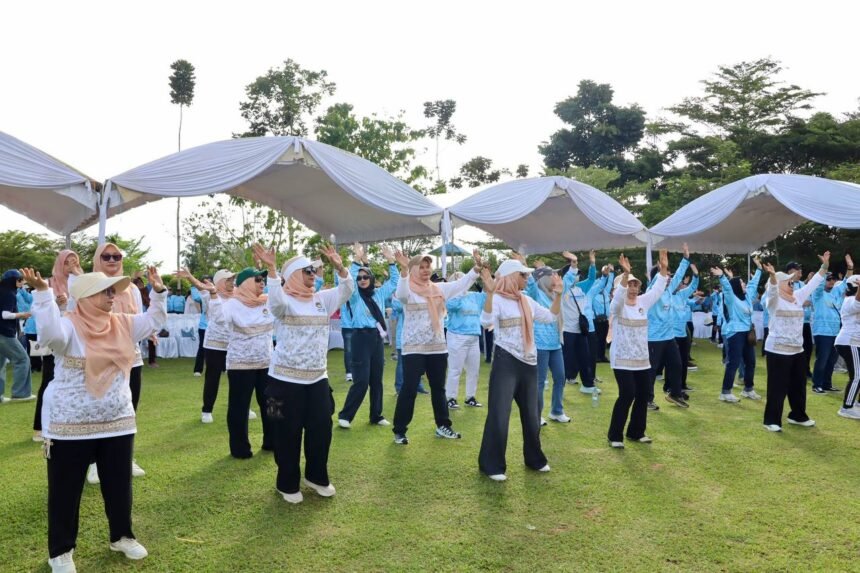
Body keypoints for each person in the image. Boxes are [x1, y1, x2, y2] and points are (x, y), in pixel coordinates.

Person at [22, 265, 167, 573]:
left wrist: (158, 292)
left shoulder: (123, 324)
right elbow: (48, 334)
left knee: (119, 485)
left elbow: (155, 320)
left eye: (114, 291)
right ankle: (60, 552)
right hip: (69, 426)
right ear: (87, 297)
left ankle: (122, 536)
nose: (113, 296)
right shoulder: (68, 327)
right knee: (65, 491)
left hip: (117, 421)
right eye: (107, 291)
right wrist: (43, 294)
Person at [254, 244, 352, 503]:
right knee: (286, 432)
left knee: (322, 428)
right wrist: (273, 270)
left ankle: (316, 477)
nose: (313, 273)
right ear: (295, 275)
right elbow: (274, 303)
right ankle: (287, 484)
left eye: (314, 269)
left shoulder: (322, 299)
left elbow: (347, 289)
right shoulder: (284, 301)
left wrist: (340, 267)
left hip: (317, 379)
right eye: (308, 270)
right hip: (284, 382)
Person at [478, 259, 559, 481]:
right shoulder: (498, 301)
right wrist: (490, 294)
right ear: (513, 276)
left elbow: (551, 317)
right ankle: (491, 464)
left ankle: (535, 459)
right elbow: (485, 322)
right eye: (523, 275)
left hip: (529, 363)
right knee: (499, 414)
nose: (527, 278)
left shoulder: (527, 301)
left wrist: (559, 296)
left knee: (532, 416)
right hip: (506, 361)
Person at [391, 250, 481, 445]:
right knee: (409, 389)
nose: (425, 270)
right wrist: (404, 270)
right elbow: (401, 294)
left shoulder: (439, 288)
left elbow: (461, 284)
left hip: (438, 348)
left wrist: (475, 269)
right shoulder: (408, 290)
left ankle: (443, 425)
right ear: (413, 270)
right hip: (414, 348)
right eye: (420, 267)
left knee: (438, 388)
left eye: (427, 266)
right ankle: (399, 430)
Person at [86, 243, 147, 482]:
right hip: (100, 358)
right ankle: (93, 463)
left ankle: (126, 458)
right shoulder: (89, 285)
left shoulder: (131, 288)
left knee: (129, 407)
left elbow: (139, 319)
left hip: (130, 357)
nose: (112, 260)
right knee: (97, 408)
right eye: (106, 256)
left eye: (117, 256)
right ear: (98, 259)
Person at [607, 251, 669, 448]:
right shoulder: (616, 306)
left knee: (643, 394)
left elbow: (658, 289)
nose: (633, 288)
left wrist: (664, 269)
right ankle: (614, 436)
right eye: (629, 285)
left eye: (635, 284)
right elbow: (618, 300)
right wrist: (625, 275)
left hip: (642, 359)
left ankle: (636, 432)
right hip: (622, 359)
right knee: (627, 394)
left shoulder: (643, 302)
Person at [761, 252, 829, 432]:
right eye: (789, 281)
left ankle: (797, 416)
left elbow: (813, 284)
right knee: (777, 387)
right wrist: (774, 278)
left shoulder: (797, 297)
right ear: (781, 284)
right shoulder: (773, 300)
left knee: (798, 385)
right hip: (777, 350)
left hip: (797, 349)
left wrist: (824, 267)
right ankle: (771, 420)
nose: (793, 282)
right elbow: (772, 291)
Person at [337, 243, 401, 428]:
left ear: (371, 278)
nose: (362, 279)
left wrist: (391, 262)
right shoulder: (355, 295)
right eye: (360, 277)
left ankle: (376, 415)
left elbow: (395, 282)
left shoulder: (380, 294)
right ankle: (346, 416)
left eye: (366, 277)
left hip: (375, 338)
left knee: (376, 380)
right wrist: (357, 260)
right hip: (359, 338)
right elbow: (348, 280)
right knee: (362, 381)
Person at [221, 261, 274, 458]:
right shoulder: (232, 304)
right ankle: (240, 448)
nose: (262, 283)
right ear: (245, 283)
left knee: (271, 404)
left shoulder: (267, 301)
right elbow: (219, 322)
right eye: (258, 279)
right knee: (239, 408)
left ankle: (272, 441)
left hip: (267, 363)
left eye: (264, 279)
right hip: (240, 365)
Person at [33, 250, 82, 442]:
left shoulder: (82, 282)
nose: (71, 265)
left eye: (75, 261)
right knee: (49, 379)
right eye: (67, 262)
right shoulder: (50, 282)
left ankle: (71, 421)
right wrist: (55, 302)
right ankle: (39, 427)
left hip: (77, 338)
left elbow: (88, 305)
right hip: (56, 338)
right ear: (60, 264)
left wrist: (79, 277)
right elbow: (36, 308)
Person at [178, 269, 235, 423]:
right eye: (229, 280)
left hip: (234, 343)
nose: (232, 282)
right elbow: (200, 286)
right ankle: (207, 410)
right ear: (221, 282)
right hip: (215, 343)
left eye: (233, 279)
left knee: (239, 378)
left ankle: (241, 407)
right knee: (213, 377)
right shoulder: (208, 294)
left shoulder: (238, 295)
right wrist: (190, 276)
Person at [711, 259, 763, 402]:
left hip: (747, 332)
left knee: (751, 361)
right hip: (735, 334)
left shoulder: (746, 296)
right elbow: (727, 288)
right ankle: (725, 392)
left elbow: (753, 284)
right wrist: (722, 276)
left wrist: (759, 269)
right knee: (733, 362)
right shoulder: (731, 298)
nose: (744, 284)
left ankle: (748, 389)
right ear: (736, 287)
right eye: (741, 283)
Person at [523, 261, 568, 424]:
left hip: (555, 345)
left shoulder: (555, 294)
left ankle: (557, 411)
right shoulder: (535, 294)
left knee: (560, 377)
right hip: (540, 345)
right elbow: (530, 283)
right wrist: (528, 265)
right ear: (543, 279)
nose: (555, 277)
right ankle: (536, 415)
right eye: (552, 275)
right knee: (539, 382)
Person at [810, 255, 853, 394]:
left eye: (833, 279)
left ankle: (827, 384)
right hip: (822, 332)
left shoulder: (835, 293)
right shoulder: (818, 294)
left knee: (831, 361)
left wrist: (850, 267)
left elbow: (846, 282)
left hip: (835, 332)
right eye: (828, 279)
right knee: (822, 360)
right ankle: (817, 384)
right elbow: (819, 284)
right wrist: (825, 267)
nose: (831, 281)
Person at [444, 271, 486, 410]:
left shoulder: (475, 296)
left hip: (474, 337)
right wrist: (459, 290)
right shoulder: (451, 298)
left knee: (474, 370)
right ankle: (450, 398)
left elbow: (488, 295)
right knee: (455, 369)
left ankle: (470, 397)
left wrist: (485, 277)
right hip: (457, 336)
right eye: (459, 281)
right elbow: (452, 306)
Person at [560, 250, 597, 391]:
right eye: (575, 274)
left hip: (581, 330)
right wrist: (573, 264)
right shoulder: (563, 289)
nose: (577, 276)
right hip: (568, 330)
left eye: (578, 274)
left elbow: (592, 280)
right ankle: (560, 386)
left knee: (585, 357)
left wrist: (592, 263)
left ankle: (587, 385)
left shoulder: (580, 288)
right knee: (565, 360)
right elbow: (566, 281)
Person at [0, 269, 34, 402]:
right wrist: (22, 315)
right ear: (12, 281)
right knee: (22, 359)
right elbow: (4, 314)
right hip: (4, 333)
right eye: (19, 280)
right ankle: (20, 393)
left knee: (1, 364)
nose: (22, 282)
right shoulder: (9, 294)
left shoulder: (3, 291)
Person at [835, 275, 860, 419]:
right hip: (850, 342)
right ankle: (846, 407)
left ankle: (857, 404)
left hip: (854, 342)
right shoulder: (850, 300)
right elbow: (858, 301)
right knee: (857, 375)